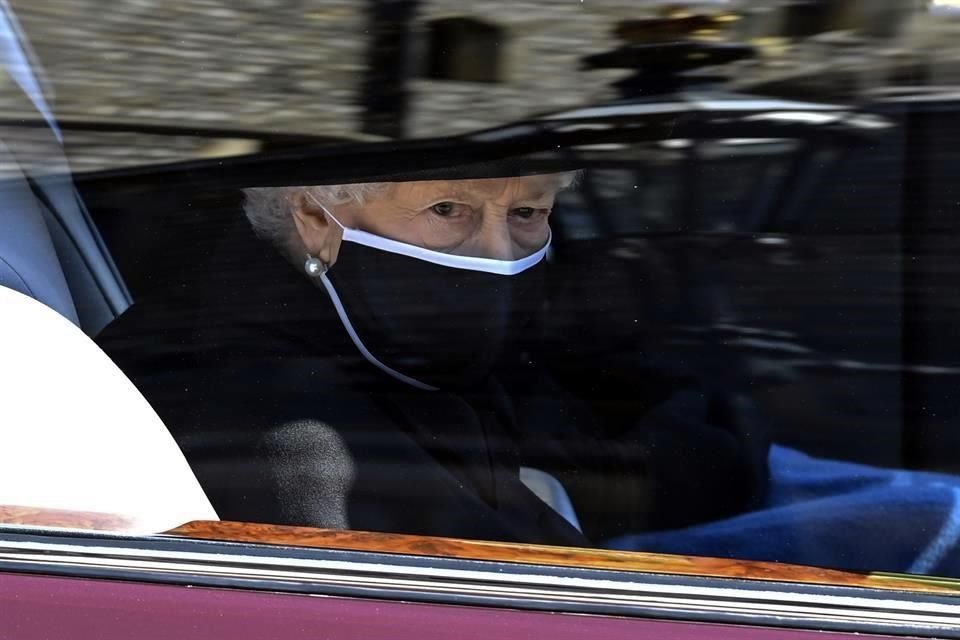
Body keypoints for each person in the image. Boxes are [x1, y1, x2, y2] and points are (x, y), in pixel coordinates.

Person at [96, 171, 769, 546]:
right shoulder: (265, 422)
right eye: (449, 208)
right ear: (311, 214)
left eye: (530, 212)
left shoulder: (395, 330)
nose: (500, 253)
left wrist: (569, 488)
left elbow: (670, 419)